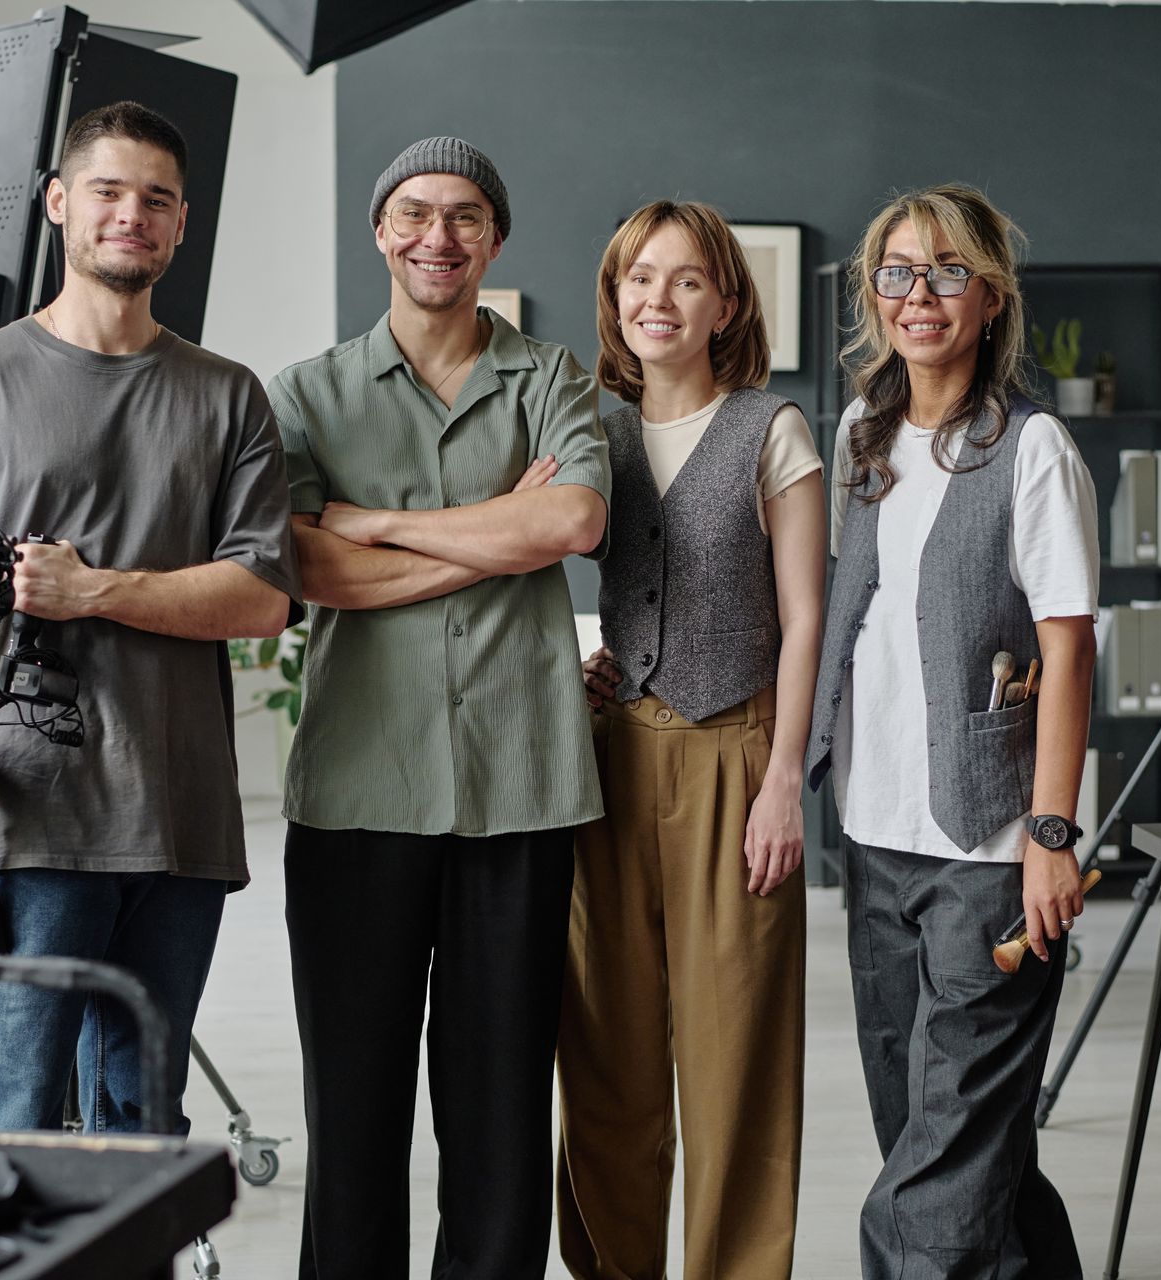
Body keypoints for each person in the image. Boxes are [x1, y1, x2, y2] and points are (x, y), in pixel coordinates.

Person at [0, 101, 301, 1135]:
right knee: (10, 1122)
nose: (132, 214)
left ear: (181, 224)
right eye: (109, 191)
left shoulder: (227, 396)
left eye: (156, 199)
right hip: (25, 815)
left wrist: (96, 588)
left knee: (139, 1124)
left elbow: (261, 596)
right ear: (60, 204)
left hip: (178, 816)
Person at [269, 136, 609, 1280]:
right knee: (354, 1115)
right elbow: (309, 573)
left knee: (502, 1114)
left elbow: (571, 526)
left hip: (521, 788)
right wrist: (489, 531)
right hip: (359, 788)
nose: (438, 236)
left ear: (494, 238)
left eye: (465, 216)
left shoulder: (556, 378)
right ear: (380, 230)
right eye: (414, 212)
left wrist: (377, 520)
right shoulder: (306, 394)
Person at [804, 183, 1096, 1280]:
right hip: (875, 833)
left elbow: (1067, 647)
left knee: (934, 1176)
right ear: (872, 294)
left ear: (990, 297)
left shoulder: (1033, 449)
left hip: (987, 848)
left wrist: (1051, 831)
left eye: (946, 271)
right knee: (949, 1138)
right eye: (896, 271)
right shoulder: (860, 432)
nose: (917, 293)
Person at [560, 200, 824, 1280]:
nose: (657, 299)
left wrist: (783, 786)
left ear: (725, 301)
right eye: (638, 278)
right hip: (612, 759)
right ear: (615, 299)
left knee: (737, 1064)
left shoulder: (774, 429)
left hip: (735, 756)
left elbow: (807, 615)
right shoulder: (586, 427)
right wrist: (571, 665)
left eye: (683, 280)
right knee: (609, 1056)